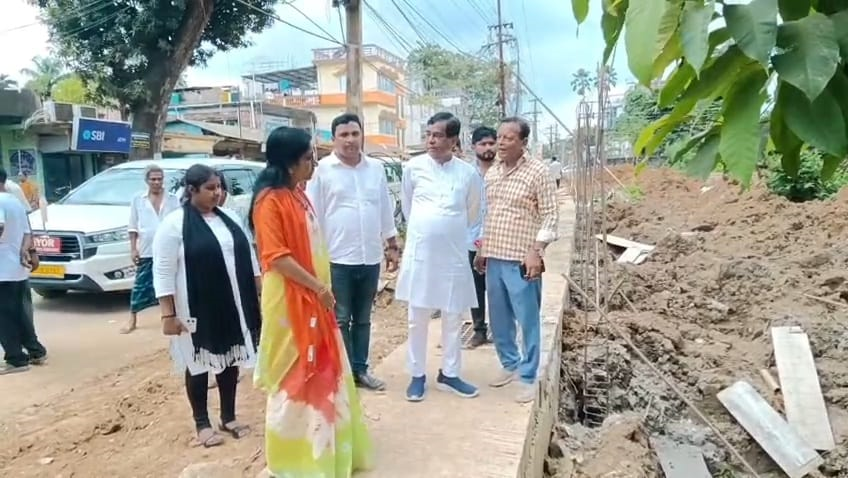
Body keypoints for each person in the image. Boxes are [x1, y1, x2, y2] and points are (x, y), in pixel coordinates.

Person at [250, 126, 372, 476]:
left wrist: (320, 289)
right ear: (290, 163)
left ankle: (326, 450)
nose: (314, 164)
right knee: (295, 371)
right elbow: (277, 257)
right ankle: (294, 459)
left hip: (316, 296)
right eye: (308, 158)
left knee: (324, 368)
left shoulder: (298, 194)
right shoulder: (269, 201)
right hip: (290, 301)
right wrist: (318, 288)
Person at [152, 164, 261, 447]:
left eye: (220, 187)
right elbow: (163, 272)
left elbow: (250, 258)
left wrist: (258, 292)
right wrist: (168, 314)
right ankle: (202, 423)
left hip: (232, 303)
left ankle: (228, 417)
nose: (217, 193)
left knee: (230, 358)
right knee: (198, 363)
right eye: (210, 188)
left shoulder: (229, 218)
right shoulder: (174, 225)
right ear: (192, 190)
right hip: (194, 308)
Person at [306, 113, 400, 392]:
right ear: (334, 139)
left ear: (362, 136)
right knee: (340, 318)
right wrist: (314, 257)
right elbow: (313, 215)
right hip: (336, 259)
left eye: (355, 134)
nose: (350, 140)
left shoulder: (375, 169)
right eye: (344, 135)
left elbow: (384, 208)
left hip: (369, 257)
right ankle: (342, 374)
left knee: (363, 318)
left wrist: (391, 245)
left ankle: (361, 369)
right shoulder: (322, 170)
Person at [395, 112, 482, 402]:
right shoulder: (413, 168)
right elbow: (408, 207)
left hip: (453, 256)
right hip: (421, 255)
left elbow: (473, 212)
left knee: (453, 315)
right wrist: (430, 228)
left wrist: (446, 228)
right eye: (428, 134)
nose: (431, 140)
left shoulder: (468, 173)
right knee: (417, 317)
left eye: (438, 135)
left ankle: (450, 374)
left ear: (453, 140)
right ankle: (417, 375)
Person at [474, 117, 559, 403]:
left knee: (528, 319)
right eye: (499, 137)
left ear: (523, 142)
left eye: (508, 138)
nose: (500, 143)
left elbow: (551, 214)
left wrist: (537, 250)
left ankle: (528, 375)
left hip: (522, 259)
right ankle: (509, 363)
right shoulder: (493, 172)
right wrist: (482, 249)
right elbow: (489, 214)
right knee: (499, 318)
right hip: (495, 256)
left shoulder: (538, 172)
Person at [0, 167, 47, 375]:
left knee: (4, 317)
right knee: (19, 313)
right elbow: (28, 233)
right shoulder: (15, 202)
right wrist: (24, 251)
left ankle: (16, 359)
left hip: (3, 270)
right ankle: (36, 351)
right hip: (16, 268)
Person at [122, 165, 180, 334]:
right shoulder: (138, 199)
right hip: (147, 249)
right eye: (153, 179)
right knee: (140, 285)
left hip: (169, 248)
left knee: (172, 283)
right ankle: (132, 319)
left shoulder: (173, 199)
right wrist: (133, 249)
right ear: (147, 180)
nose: (156, 182)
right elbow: (133, 225)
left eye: (159, 179)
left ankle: (170, 317)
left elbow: (179, 222)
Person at [466, 126, 497, 348]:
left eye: (491, 143)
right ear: (474, 147)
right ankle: (479, 330)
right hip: (471, 238)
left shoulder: (505, 172)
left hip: (500, 239)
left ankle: (501, 329)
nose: (487, 148)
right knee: (475, 287)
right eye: (482, 144)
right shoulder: (467, 174)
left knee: (498, 288)